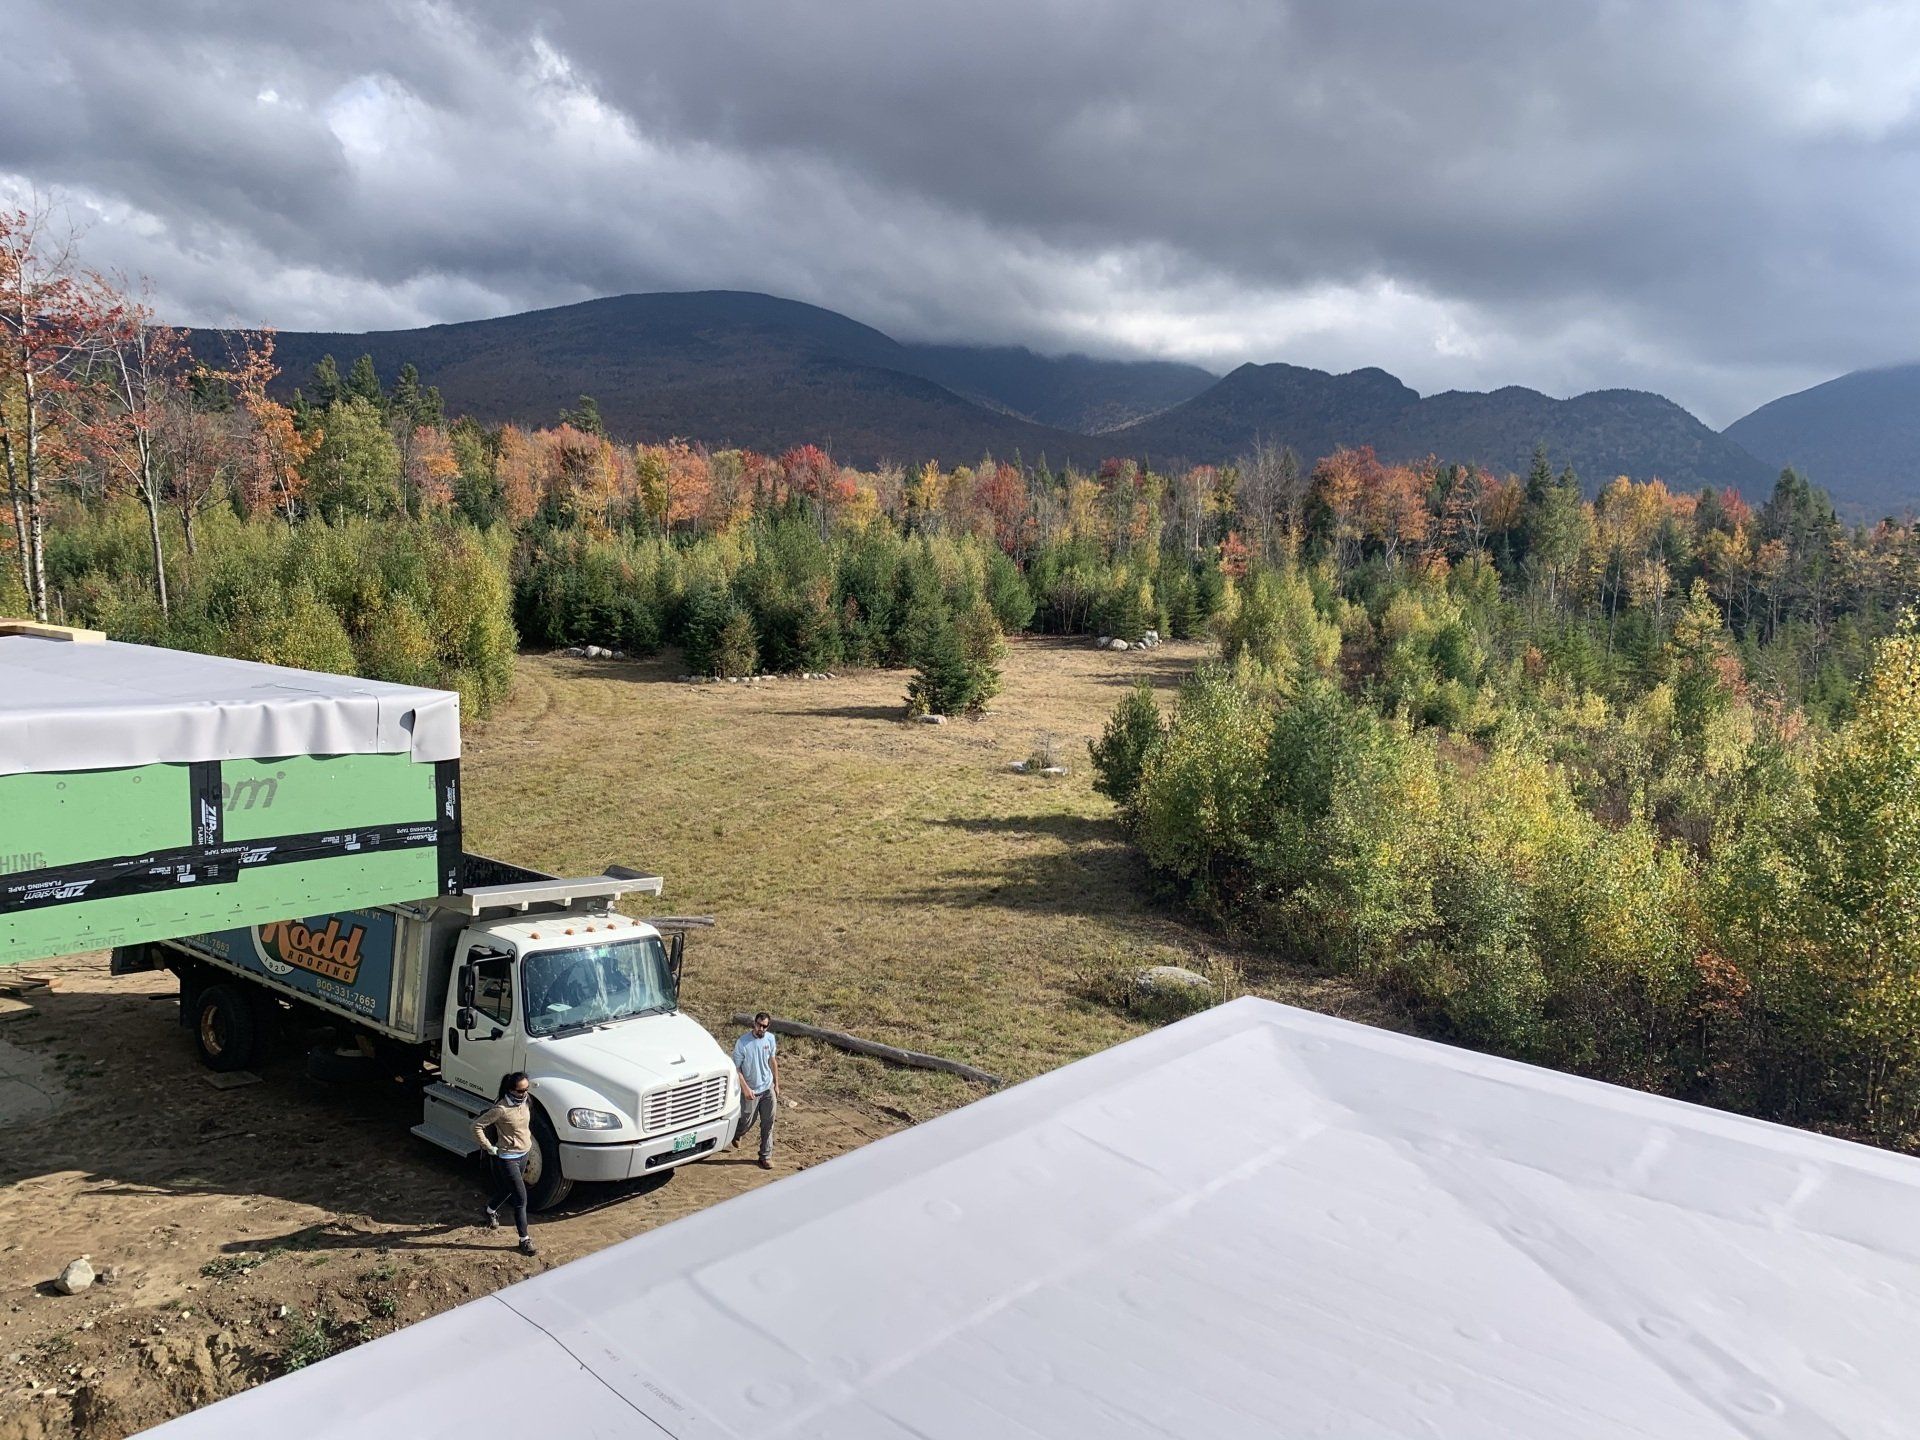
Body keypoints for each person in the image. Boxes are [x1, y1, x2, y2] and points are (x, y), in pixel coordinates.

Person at [474, 1072, 539, 1255]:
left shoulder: (526, 1101)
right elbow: (476, 1126)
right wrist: (488, 1147)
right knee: (521, 1198)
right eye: (521, 1090)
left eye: (527, 1089)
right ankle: (524, 1240)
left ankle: (489, 1210)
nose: (525, 1093)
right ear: (511, 1090)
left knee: (507, 1189)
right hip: (508, 1158)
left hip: (524, 1153)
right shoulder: (500, 1109)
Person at [732, 1011, 779, 1170]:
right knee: (746, 1120)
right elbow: (736, 1068)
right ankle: (737, 1133)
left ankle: (765, 1156)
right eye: (759, 1025)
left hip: (767, 1088)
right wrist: (745, 1088)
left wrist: (776, 1084)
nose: (761, 1029)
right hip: (750, 1090)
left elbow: (772, 1061)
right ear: (754, 1023)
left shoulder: (770, 1039)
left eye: (765, 1026)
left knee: (768, 1122)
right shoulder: (743, 1043)